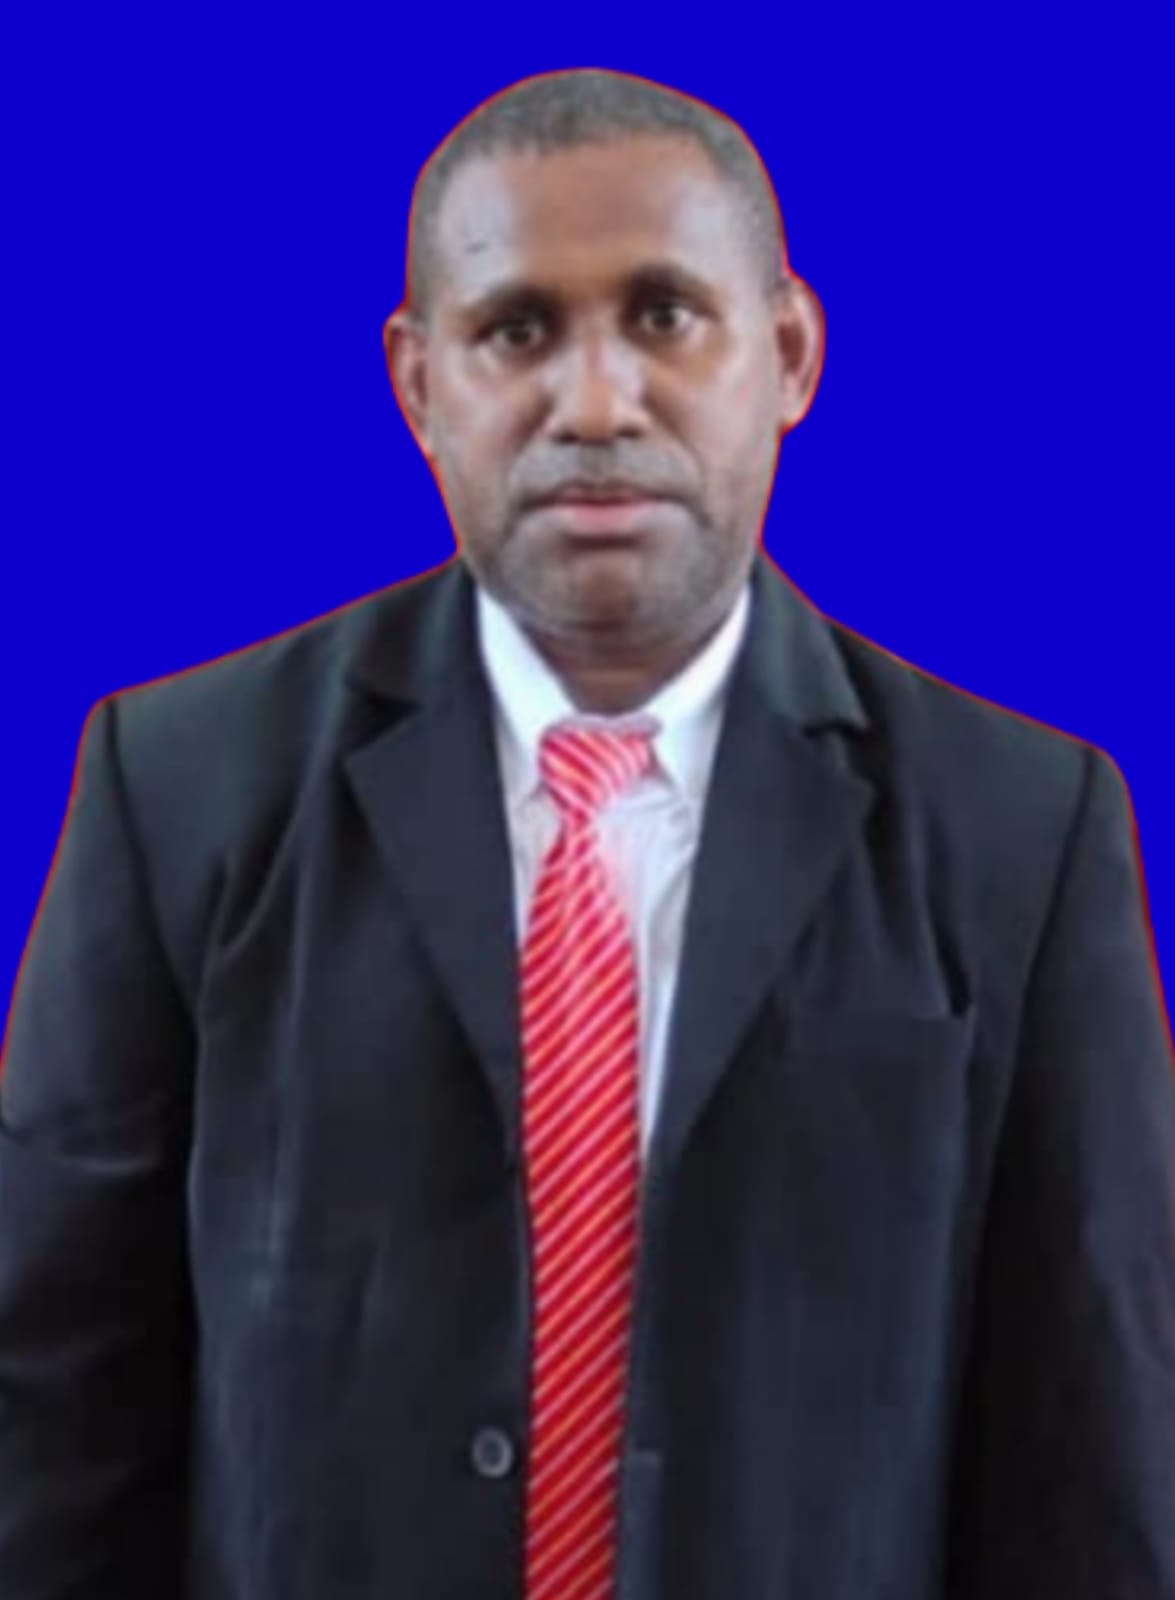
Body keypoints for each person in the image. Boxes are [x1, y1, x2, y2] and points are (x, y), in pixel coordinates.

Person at [1, 65, 1173, 1600]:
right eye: (517, 331)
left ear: (789, 353)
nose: (600, 403)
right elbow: (51, 1405)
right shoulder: (180, 789)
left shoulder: (1023, 829)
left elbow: (1096, 1450)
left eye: (667, 315)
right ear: (420, 384)